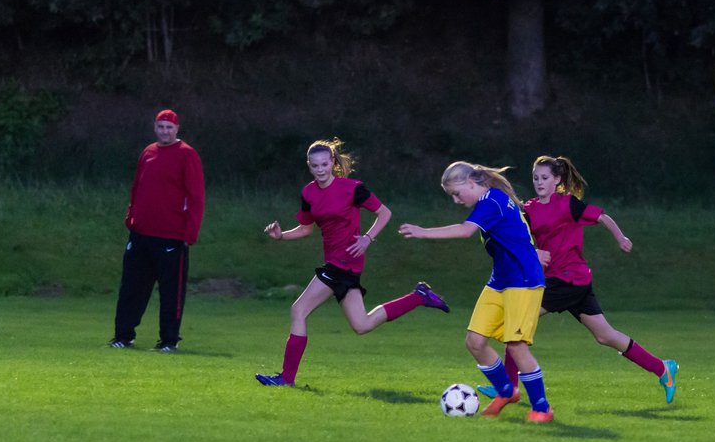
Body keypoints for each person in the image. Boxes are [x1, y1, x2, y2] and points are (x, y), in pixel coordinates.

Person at [477, 155, 677, 405]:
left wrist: (620, 237)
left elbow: (602, 216)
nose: (539, 182)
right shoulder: (529, 209)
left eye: (545, 178)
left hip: (569, 279)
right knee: (605, 335)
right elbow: (518, 236)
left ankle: (507, 388)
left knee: (514, 326)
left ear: (557, 180)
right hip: (565, 282)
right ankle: (663, 369)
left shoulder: (568, 204)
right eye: (535, 178)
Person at [254, 139, 450, 387]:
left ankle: (286, 378)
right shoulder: (309, 193)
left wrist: (368, 238)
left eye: (325, 164)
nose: (320, 169)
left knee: (298, 310)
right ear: (309, 166)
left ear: (333, 162)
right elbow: (305, 229)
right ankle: (419, 296)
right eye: (315, 166)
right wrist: (281, 236)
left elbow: (384, 213)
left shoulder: (353, 188)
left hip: (344, 261)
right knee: (362, 324)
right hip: (340, 265)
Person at [397, 161, 554, 423]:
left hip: (523, 280)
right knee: (475, 341)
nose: (457, 200)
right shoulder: (493, 200)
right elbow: (514, 233)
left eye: (458, 193)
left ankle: (542, 407)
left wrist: (423, 232)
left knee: (516, 346)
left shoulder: (491, 201)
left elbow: (465, 230)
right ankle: (506, 391)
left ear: (471, 182)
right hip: (500, 281)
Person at [109, 108, 205, 352]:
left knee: (171, 293)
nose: (165, 131)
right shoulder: (148, 152)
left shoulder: (187, 155)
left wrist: (190, 233)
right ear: (155, 127)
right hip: (141, 234)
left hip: (171, 236)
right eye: (161, 126)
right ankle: (123, 336)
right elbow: (137, 187)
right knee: (131, 288)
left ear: (177, 129)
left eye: (169, 127)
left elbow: (196, 197)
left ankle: (169, 341)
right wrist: (131, 218)